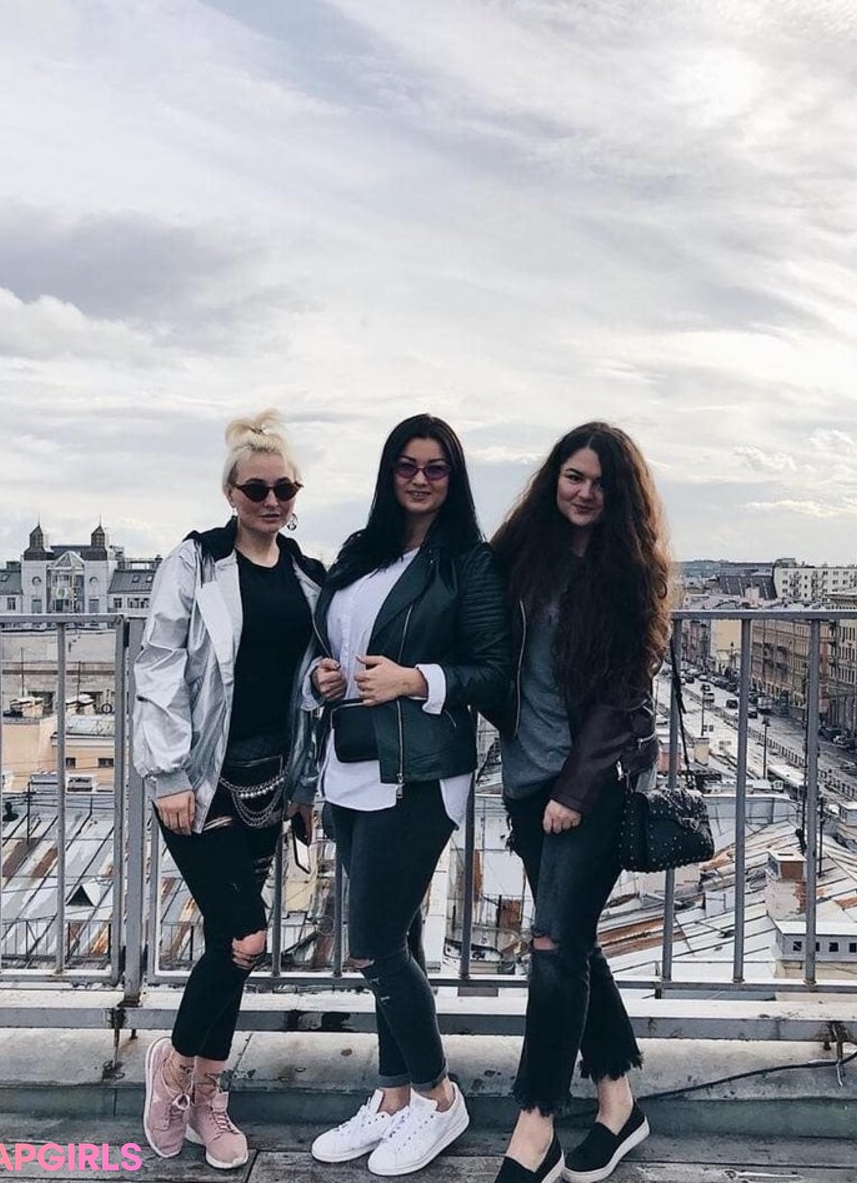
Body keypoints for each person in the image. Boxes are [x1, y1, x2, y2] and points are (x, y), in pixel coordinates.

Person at [307, 413, 510, 1177]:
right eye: (407, 466)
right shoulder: (360, 552)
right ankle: (394, 1098)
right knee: (399, 936)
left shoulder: (468, 564)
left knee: (372, 942)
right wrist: (321, 678)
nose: (420, 480)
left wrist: (414, 680)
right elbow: (323, 646)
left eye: (435, 468)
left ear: (453, 479)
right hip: (350, 766)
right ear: (388, 473)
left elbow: (492, 671)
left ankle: (437, 1094)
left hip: (419, 773)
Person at [133, 411, 326, 1170]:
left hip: (268, 785)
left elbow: (303, 692)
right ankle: (175, 1069)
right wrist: (169, 774)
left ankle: (208, 1099)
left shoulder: (308, 576)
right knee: (248, 937)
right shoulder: (194, 564)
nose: (271, 500)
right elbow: (158, 668)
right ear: (231, 493)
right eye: (257, 489)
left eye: (284, 488)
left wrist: (305, 786)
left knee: (229, 946)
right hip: (199, 783)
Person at [488, 423, 673, 1183]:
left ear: (620, 494)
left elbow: (626, 698)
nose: (585, 492)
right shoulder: (520, 557)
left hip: (589, 789)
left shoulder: (629, 575)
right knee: (572, 942)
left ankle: (535, 1125)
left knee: (554, 948)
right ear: (553, 480)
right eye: (573, 476)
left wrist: (575, 789)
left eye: (600, 482)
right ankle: (619, 1104)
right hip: (527, 783)